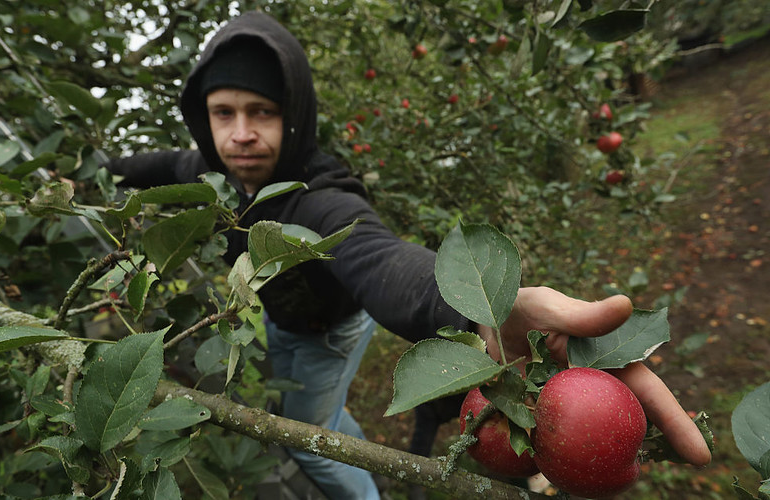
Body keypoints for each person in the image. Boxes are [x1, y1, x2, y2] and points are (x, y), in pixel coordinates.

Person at [105, 11, 712, 499]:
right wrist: (94, 175)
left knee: (307, 435)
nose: (240, 133)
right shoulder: (213, 173)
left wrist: (479, 312)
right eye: (224, 114)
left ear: (294, 116)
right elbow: (161, 165)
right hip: (278, 320)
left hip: (330, 329)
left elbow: (381, 259)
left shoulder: (320, 201)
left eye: (262, 112)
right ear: (203, 119)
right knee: (309, 402)